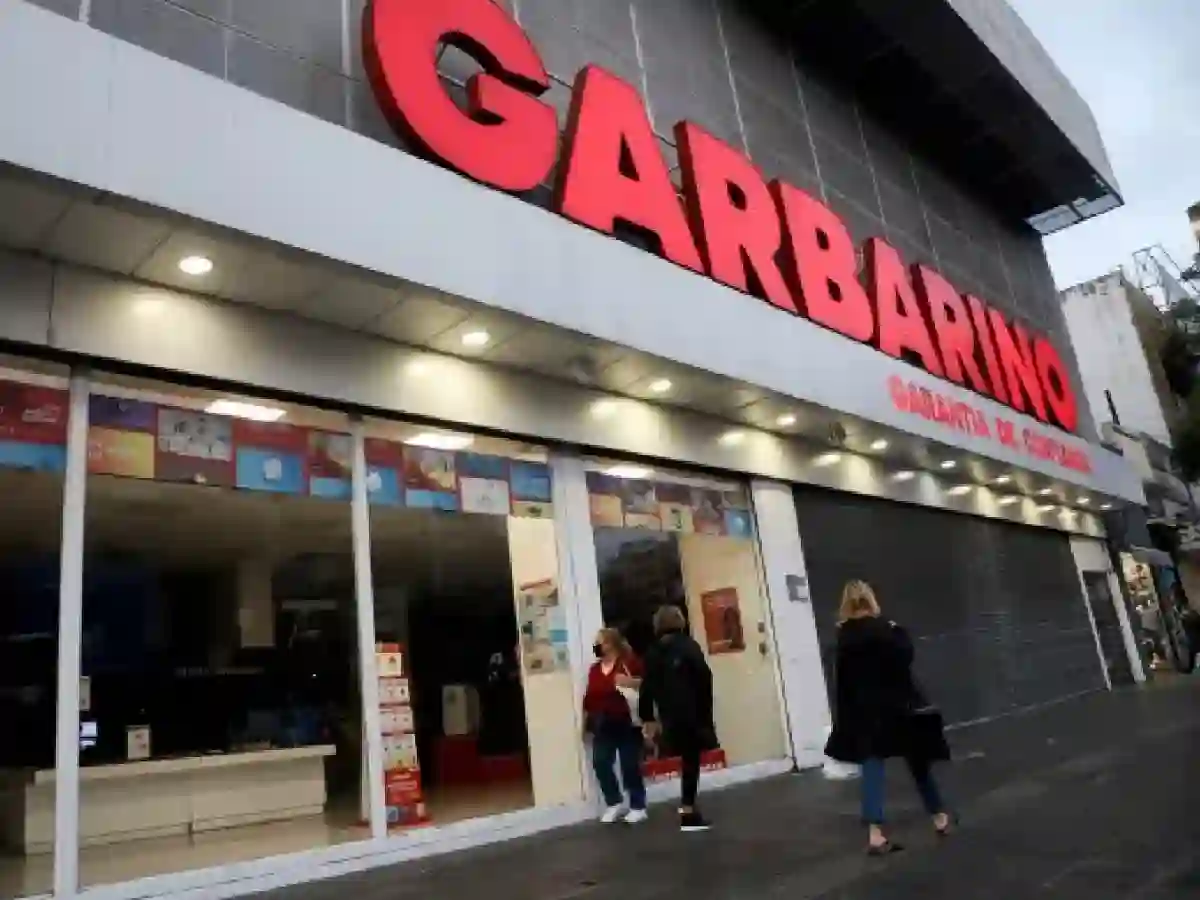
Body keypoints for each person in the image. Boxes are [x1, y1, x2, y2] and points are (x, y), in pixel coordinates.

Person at [824, 580, 951, 855]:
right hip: (899, 707)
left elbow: (842, 683)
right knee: (918, 764)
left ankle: (875, 835)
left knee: (872, 768)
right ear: (871, 599)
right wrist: (899, 631)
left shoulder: (843, 637)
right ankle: (939, 817)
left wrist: (843, 720)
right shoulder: (887, 629)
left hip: (865, 713)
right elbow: (906, 658)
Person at [638, 605, 716, 833]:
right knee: (691, 762)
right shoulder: (688, 646)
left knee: (685, 759)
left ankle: (688, 808)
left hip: (669, 715)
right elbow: (704, 678)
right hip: (691, 712)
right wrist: (706, 713)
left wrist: (647, 716)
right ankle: (688, 811)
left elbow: (646, 687)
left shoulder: (653, 652)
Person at [582, 628, 648, 824]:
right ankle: (614, 802)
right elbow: (589, 698)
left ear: (611, 644)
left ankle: (638, 806)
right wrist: (585, 725)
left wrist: (629, 682)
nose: (597, 646)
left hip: (627, 722)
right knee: (600, 762)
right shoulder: (594, 670)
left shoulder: (628, 663)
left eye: (600, 642)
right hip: (603, 723)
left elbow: (647, 685)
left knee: (630, 765)